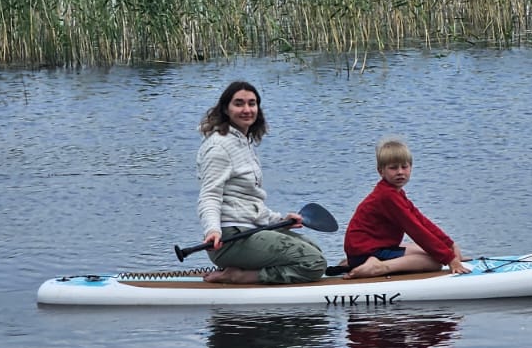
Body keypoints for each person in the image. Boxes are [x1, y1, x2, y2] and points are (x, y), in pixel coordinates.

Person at [194, 80, 326, 284]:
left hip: (250, 230)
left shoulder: (243, 142)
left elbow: (249, 202)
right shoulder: (219, 147)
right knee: (313, 262)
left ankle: (243, 270)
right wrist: (212, 230)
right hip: (230, 239)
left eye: (252, 103)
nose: (247, 109)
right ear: (226, 110)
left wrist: (280, 220)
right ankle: (240, 276)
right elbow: (209, 195)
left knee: (315, 251)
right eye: (239, 103)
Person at [343, 137, 469, 279]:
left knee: (427, 250)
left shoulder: (394, 192)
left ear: (411, 167)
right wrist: (449, 259)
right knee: (433, 262)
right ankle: (377, 267)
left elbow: (421, 221)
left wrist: (450, 245)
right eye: (393, 168)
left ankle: (355, 262)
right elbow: (415, 229)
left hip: (368, 249)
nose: (400, 172)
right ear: (381, 171)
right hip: (365, 252)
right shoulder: (387, 197)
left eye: (404, 166)